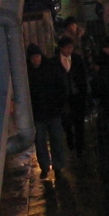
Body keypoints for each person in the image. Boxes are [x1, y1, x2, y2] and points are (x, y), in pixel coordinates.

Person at [26, 43, 67, 180]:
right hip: (39, 114)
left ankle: (57, 166)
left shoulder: (50, 68)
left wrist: (60, 104)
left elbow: (60, 86)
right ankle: (45, 166)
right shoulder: (28, 73)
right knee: (40, 142)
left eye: (37, 56)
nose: (36, 59)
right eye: (33, 57)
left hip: (52, 112)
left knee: (56, 140)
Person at [54, 36, 88, 158]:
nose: (70, 50)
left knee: (79, 122)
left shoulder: (77, 59)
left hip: (77, 96)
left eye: (71, 47)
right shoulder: (55, 62)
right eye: (68, 47)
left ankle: (80, 147)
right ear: (61, 48)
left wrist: (84, 93)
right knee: (67, 122)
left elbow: (83, 77)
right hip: (64, 98)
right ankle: (70, 140)